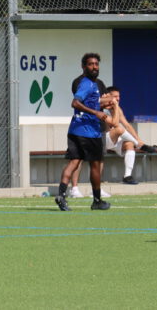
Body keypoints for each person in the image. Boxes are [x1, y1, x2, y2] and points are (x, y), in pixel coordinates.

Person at [55, 53, 114, 212]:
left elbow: (90, 103)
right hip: (89, 132)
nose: (94, 67)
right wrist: (96, 113)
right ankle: (97, 201)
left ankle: (61, 195)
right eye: (90, 64)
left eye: (96, 64)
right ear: (83, 66)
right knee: (95, 165)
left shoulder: (92, 84)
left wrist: (102, 106)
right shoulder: (87, 84)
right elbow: (75, 103)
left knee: (74, 162)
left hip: (75, 129)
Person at [103, 86, 157, 185]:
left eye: (119, 96)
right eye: (115, 96)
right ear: (108, 97)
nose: (118, 99)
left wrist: (139, 139)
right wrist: (115, 107)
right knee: (119, 129)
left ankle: (127, 176)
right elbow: (113, 124)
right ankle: (139, 145)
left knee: (129, 143)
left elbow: (127, 125)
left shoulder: (118, 109)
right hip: (103, 141)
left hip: (115, 141)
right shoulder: (101, 108)